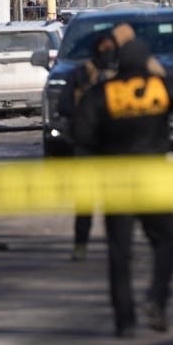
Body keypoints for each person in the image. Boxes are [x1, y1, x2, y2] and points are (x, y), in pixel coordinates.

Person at [72, 38, 173, 338]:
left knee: (119, 253)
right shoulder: (160, 88)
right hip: (155, 179)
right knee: (165, 242)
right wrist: (154, 68)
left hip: (117, 180)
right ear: (146, 61)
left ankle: (125, 320)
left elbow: (82, 133)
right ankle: (157, 299)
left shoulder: (101, 94)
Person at [56, 23, 136, 261]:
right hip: (89, 147)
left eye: (110, 47)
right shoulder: (82, 73)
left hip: (115, 147)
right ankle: (82, 245)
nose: (107, 51)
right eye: (104, 47)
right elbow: (65, 106)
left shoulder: (124, 73)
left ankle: (120, 247)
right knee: (86, 203)